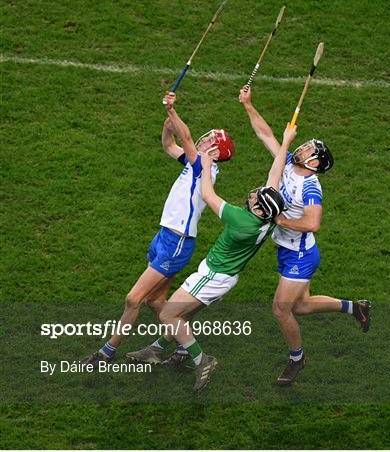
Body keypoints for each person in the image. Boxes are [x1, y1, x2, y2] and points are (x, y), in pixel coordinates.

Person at [133, 124, 296, 391]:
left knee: (169, 315)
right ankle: (156, 349)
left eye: (256, 197)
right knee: (183, 314)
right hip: (226, 277)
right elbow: (274, 175)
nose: (253, 194)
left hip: (212, 275)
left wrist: (207, 165)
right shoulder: (267, 218)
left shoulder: (241, 219)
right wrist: (286, 142)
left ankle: (202, 360)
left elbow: (208, 195)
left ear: (257, 209)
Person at [81, 92, 235, 368]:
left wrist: (173, 112)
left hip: (176, 242)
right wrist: (168, 125)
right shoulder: (193, 164)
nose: (204, 137)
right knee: (155, 301)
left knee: (133, 298)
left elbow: (186, 140)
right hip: (166, 236)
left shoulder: (204, 168)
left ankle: (106, 352)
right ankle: (185, 345)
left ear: (214, 151)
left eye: (210, 139)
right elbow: (170, 145)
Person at [239, 85, 371, 386]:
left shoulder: (311, 187)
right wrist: (248, 104)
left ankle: (297, 359)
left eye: (309, 149)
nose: (304, 147)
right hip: (288, 250)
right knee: (301, 306)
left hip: (301, 254)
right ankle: (355, 307)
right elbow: (265, 135)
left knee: (280, 309)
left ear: (314, 163)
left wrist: (280, 218)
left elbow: (313, 223)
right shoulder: (287, 164)